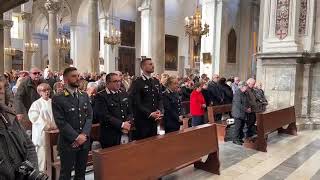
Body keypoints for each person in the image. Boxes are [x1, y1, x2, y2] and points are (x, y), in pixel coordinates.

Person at [52, 67, 93, 180]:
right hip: (68, 143)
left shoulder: (84, 95)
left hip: (84, 142)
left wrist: (83, 135)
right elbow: (61, 122)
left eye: (78, 76)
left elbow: (89, 117)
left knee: (81, 174)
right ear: (65, 79)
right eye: (73, 76)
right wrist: (76, 137)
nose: (77, 78)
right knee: (65, 175)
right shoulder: (58, 98)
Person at [94, 73, 133, 148]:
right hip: (110, 134)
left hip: (126, 131)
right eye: (115, 81)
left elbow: (130, 111)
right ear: (108, 83)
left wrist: (128, 123)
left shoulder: (123, 93)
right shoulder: (101, 96)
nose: (118, 83)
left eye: (119, 81)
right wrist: (122, 125)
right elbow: (104, 116)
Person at [129, 58, 162, 140]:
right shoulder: (137, 82)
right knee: (142, 144)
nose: (153, 66)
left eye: (153, 64)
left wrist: (159, 110)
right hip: (142, 119)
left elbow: (159, 98)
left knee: (153, 142)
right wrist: (150, 113)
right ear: (143, 67)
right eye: (150, 64)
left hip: (154, 119)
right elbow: (137, 102)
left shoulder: (155, 81)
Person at [28, 83, 56, 171]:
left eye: (48, 90)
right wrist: (45, 126)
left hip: (54, 133)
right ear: (39, 92)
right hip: (42, 134)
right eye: (44, 90)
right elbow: (33, 116)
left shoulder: (53, 102)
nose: (47, 92)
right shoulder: (36, 104)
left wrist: (56, 126)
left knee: (54, 158)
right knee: (42, 160)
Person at [232, 81, 251, 145]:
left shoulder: (244, 93)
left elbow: (246, 101)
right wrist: (246, 109)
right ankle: (235, 139)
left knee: (241, 126)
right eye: (246, 87)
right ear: (242, 87)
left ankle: (239, 138)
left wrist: (248, 107)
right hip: (238, 113)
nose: (247, 88)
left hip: (242, 112)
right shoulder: (238, 93)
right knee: (238, 127)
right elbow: (238, 104)